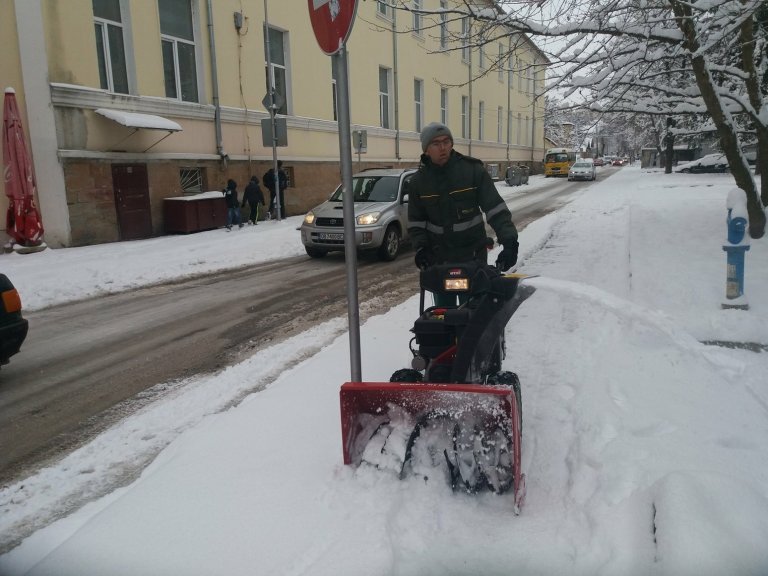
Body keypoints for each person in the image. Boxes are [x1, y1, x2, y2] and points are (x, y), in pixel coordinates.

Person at [407, 122, 519, 304]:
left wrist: (509, 242)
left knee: (474, 316)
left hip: (473, 258)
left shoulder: (472, 171)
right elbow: (416, 223)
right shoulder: (419, 182)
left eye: (446, 142)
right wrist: (421, 248)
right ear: (426, 149)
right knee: (444, 318)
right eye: (436, 143)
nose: (443, 147)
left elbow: (495, 209)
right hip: (440, 261)